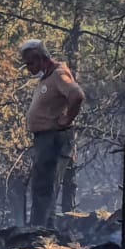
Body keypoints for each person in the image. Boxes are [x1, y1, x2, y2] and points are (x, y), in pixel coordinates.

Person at [20, 38, 86, 228]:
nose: (29, 68)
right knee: (43, 185)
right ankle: (42, 228)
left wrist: (66, 120)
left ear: (41, 58)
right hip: (45, 139)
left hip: (53, 139)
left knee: (45, 186)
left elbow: (77, 95)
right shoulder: (48, 77)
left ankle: (40, 231)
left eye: (31, 63)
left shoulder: (58, 74)